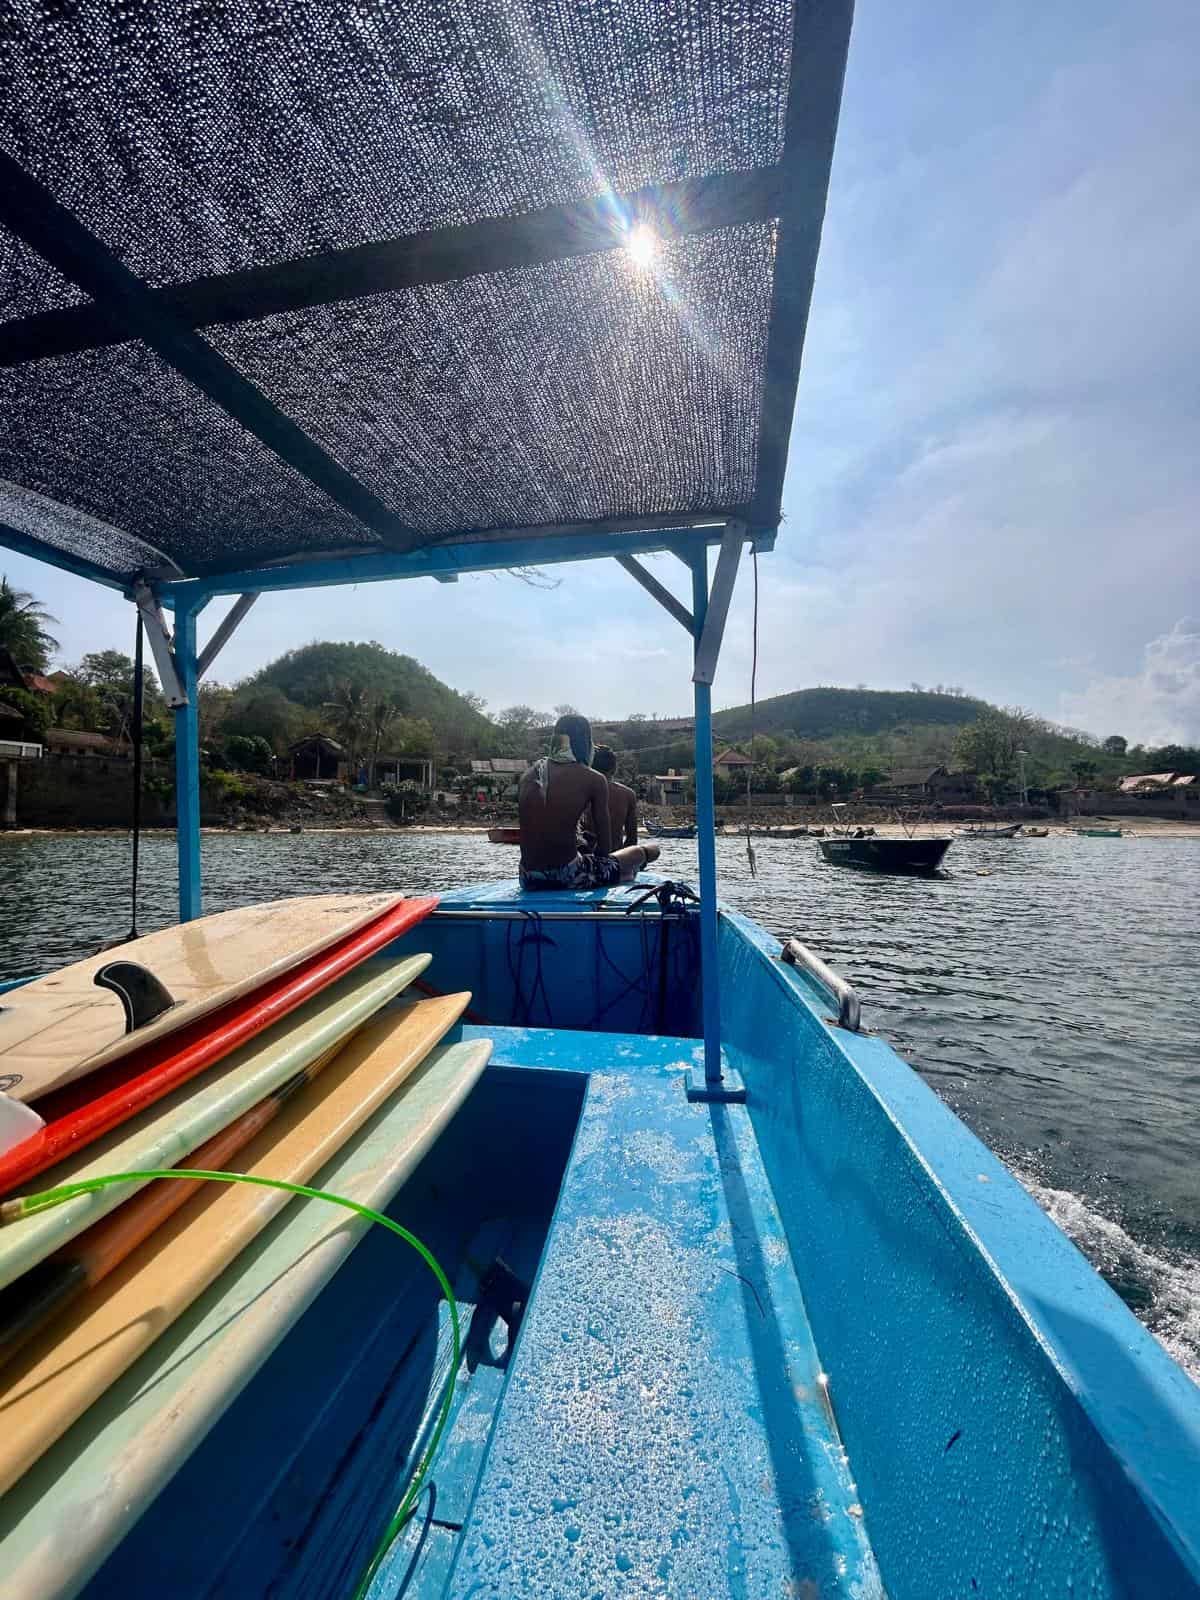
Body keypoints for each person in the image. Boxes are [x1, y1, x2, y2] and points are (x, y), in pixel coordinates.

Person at [518, 714, 659, 891]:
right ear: (584, 742)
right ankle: (628, 871)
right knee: (649, 850)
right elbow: (604, 851)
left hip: (527, 877)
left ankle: (622, 873)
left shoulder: (528, 775)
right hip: (568, 876)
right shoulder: (593, 778)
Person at [590, 744, 639, 848]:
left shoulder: (581, 791)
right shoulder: (628, 794)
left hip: (584, 857)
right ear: (614, 769)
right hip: (615, 858)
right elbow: (632, 840)